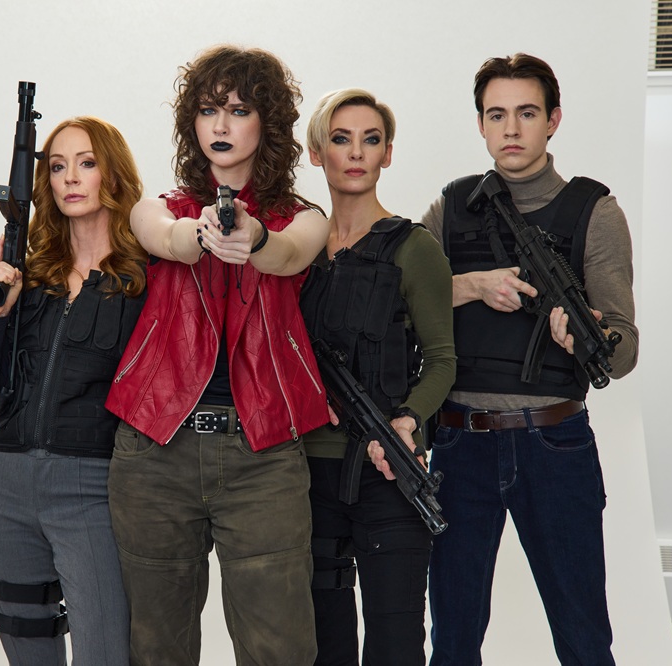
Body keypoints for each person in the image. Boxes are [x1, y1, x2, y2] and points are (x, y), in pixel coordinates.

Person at [104, 45, 331, 665]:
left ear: (269, 123)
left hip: (264, 456)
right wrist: (197, 234)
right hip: (156, 450)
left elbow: (286, 254)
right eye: (209, 110)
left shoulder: (303, 218)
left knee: (280, 649)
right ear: (192, 124)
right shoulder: (160, 207)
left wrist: (253, 237)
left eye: (239, 109)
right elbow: (164, 238)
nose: (222, 125)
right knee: (157, 648)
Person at [417, 54, 639, 665]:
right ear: (481, 126)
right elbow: (398, 306)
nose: (511, 128)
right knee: (454, 639)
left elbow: (625, 349)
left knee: (584, 637)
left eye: (526, 113)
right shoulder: (451, 206)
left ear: (553, 120)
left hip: (556, 443)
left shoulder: (595, 212)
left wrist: (590, 337)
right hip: (460, 445)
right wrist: (471, 285)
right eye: (497, 114)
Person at [0, 116, 146, 665]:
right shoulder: (28, 274)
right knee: (29, 653)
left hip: (91, 485)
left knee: (105, 652)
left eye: (86, 163)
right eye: (58, 166)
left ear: (113, 174)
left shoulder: (144, 278)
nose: (70, 178)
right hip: (4, 484)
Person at [299, 88, 455, 666]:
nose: (356, 153)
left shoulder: (414, 248)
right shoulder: (299, 248)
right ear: (317, 152)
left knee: (394, 645)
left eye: (371, 140)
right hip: (306, 476)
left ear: (388, 153)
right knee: (323, 646)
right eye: (340, 139)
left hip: (389, 471)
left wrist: (408, 420)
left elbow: (442, 360)